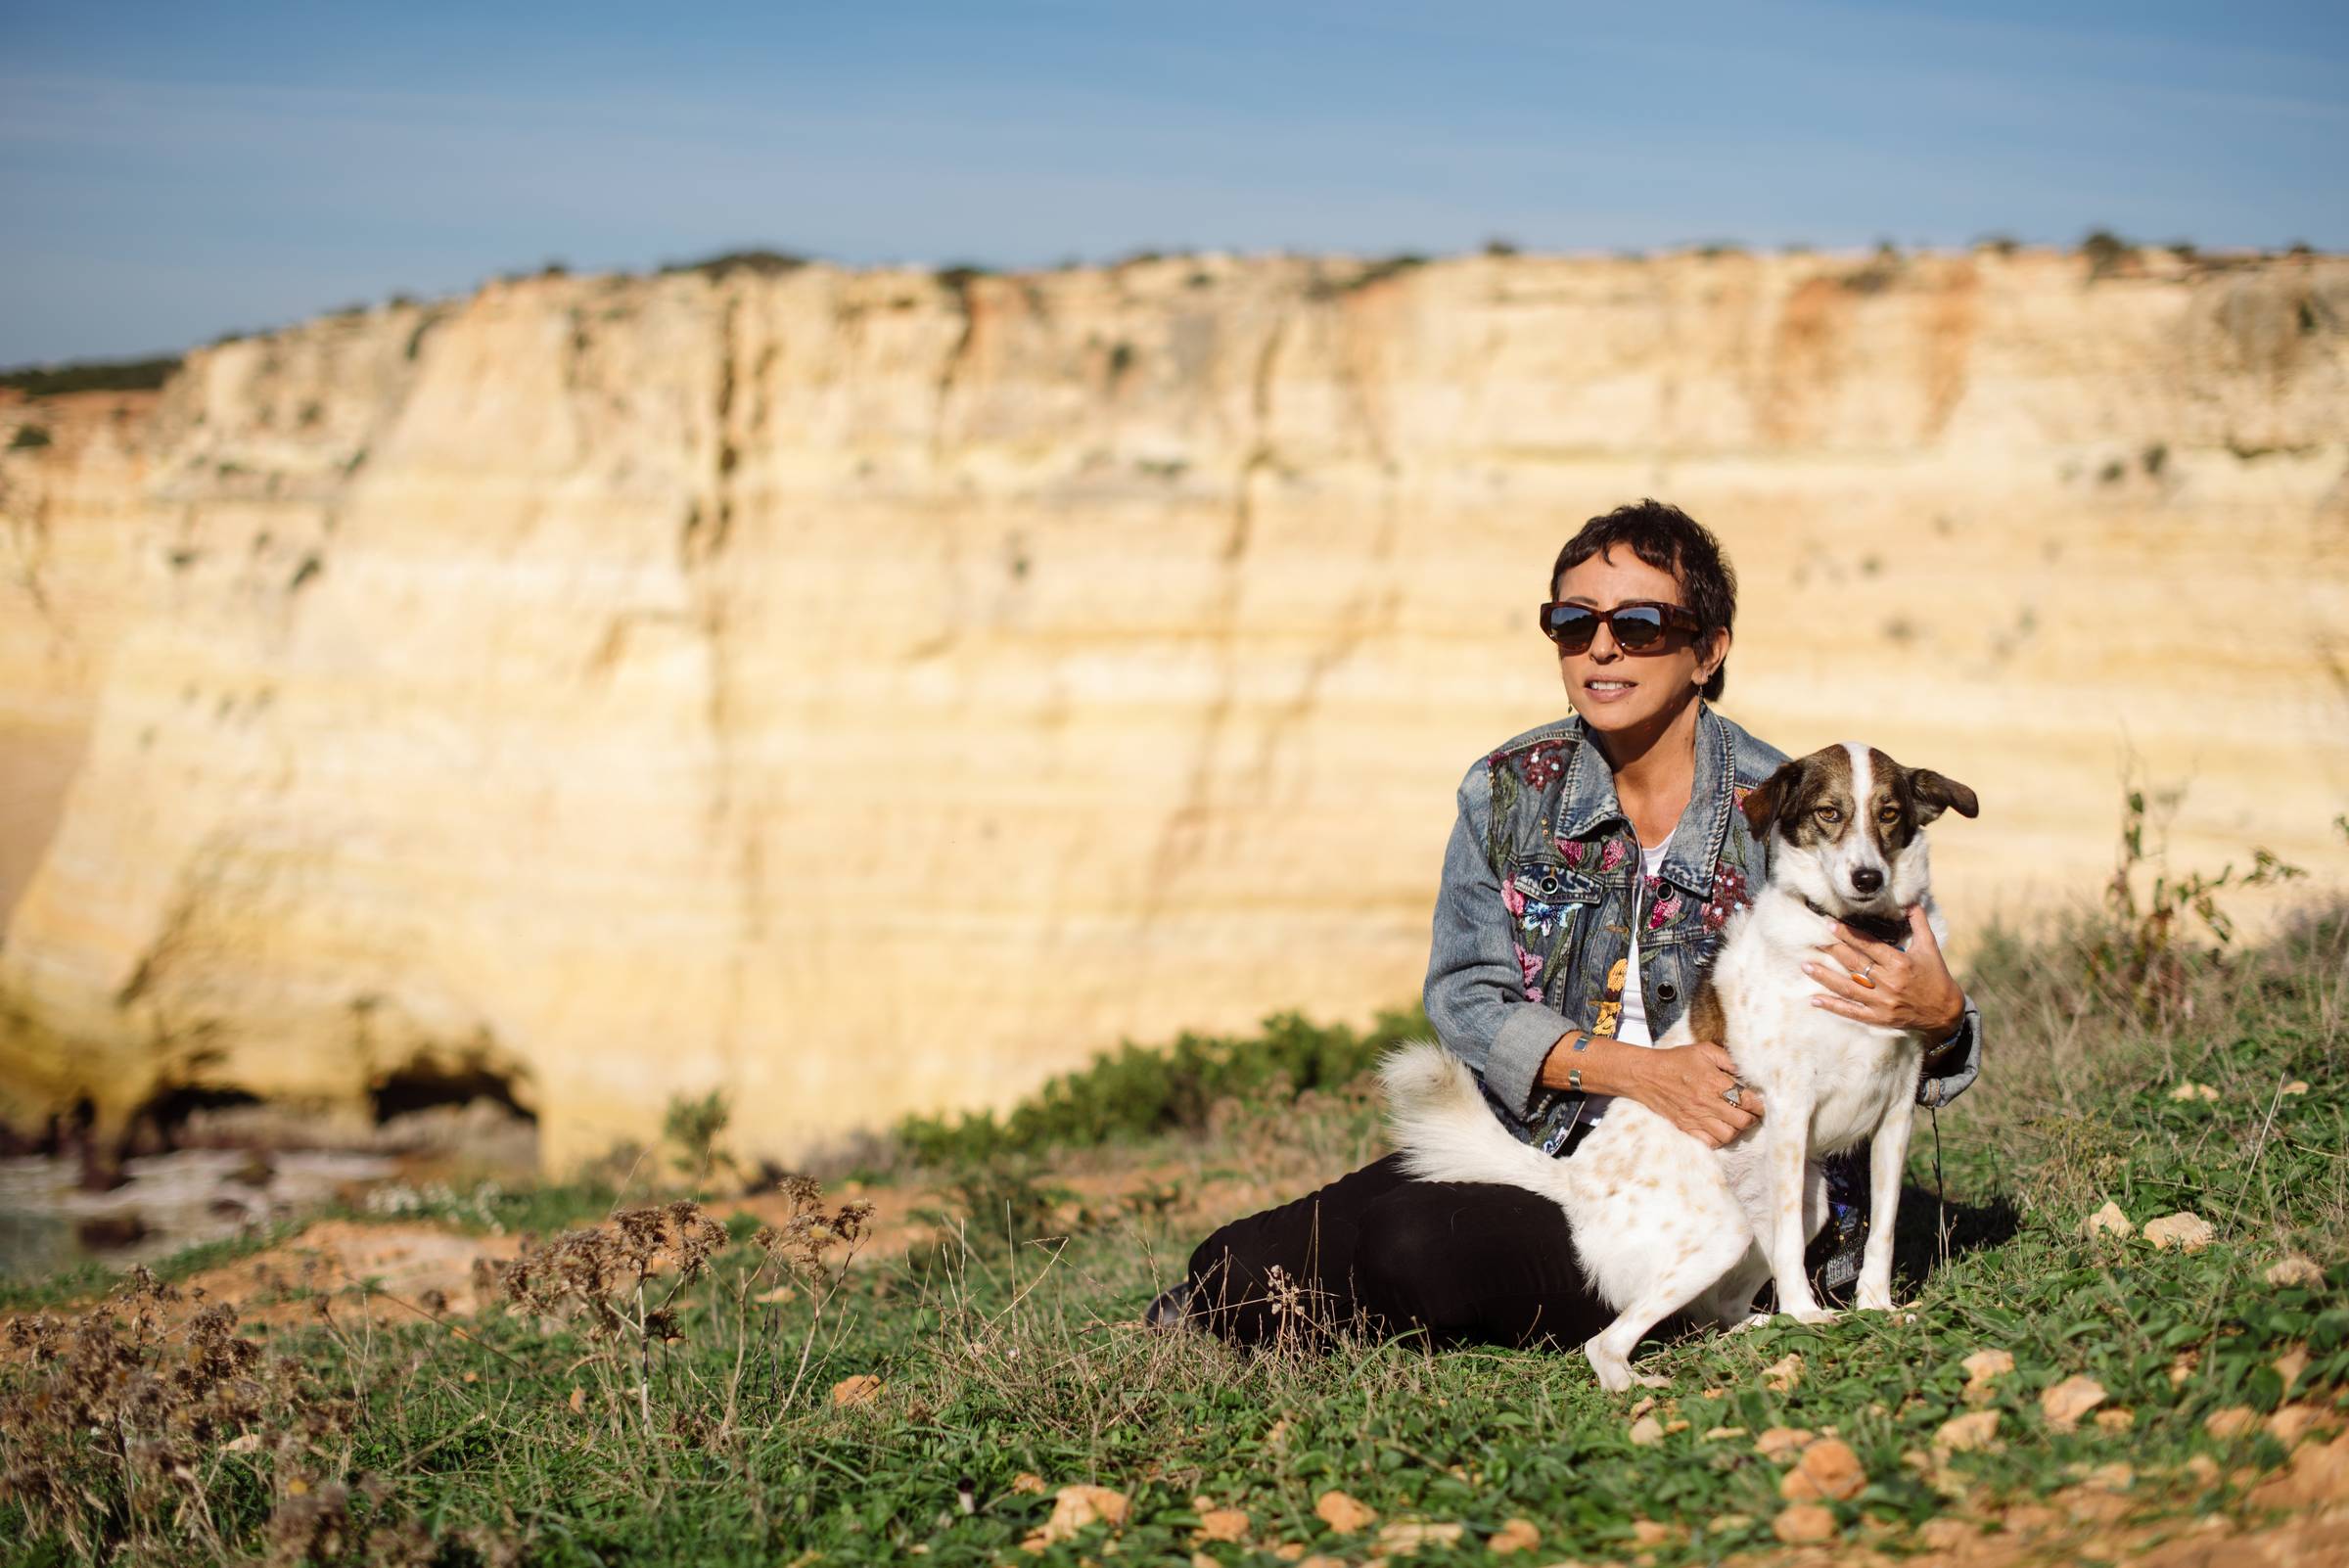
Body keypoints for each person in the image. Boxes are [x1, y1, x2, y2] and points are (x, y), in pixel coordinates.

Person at [1148, 499, 1982, 1348]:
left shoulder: (1794, 811)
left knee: (1413, 1245)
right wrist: (1639, 1073)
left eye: (1644, 623)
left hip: (1713, 1191)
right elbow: (1466, 999)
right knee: (1231, 1260)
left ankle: (1686, 1303)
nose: (1603, 646)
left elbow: (1912, 1040)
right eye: (1573, 622)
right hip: (1549, 1146)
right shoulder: (1509, 789)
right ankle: (1260, 1310)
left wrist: (1943, 1021)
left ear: (1709, 651)